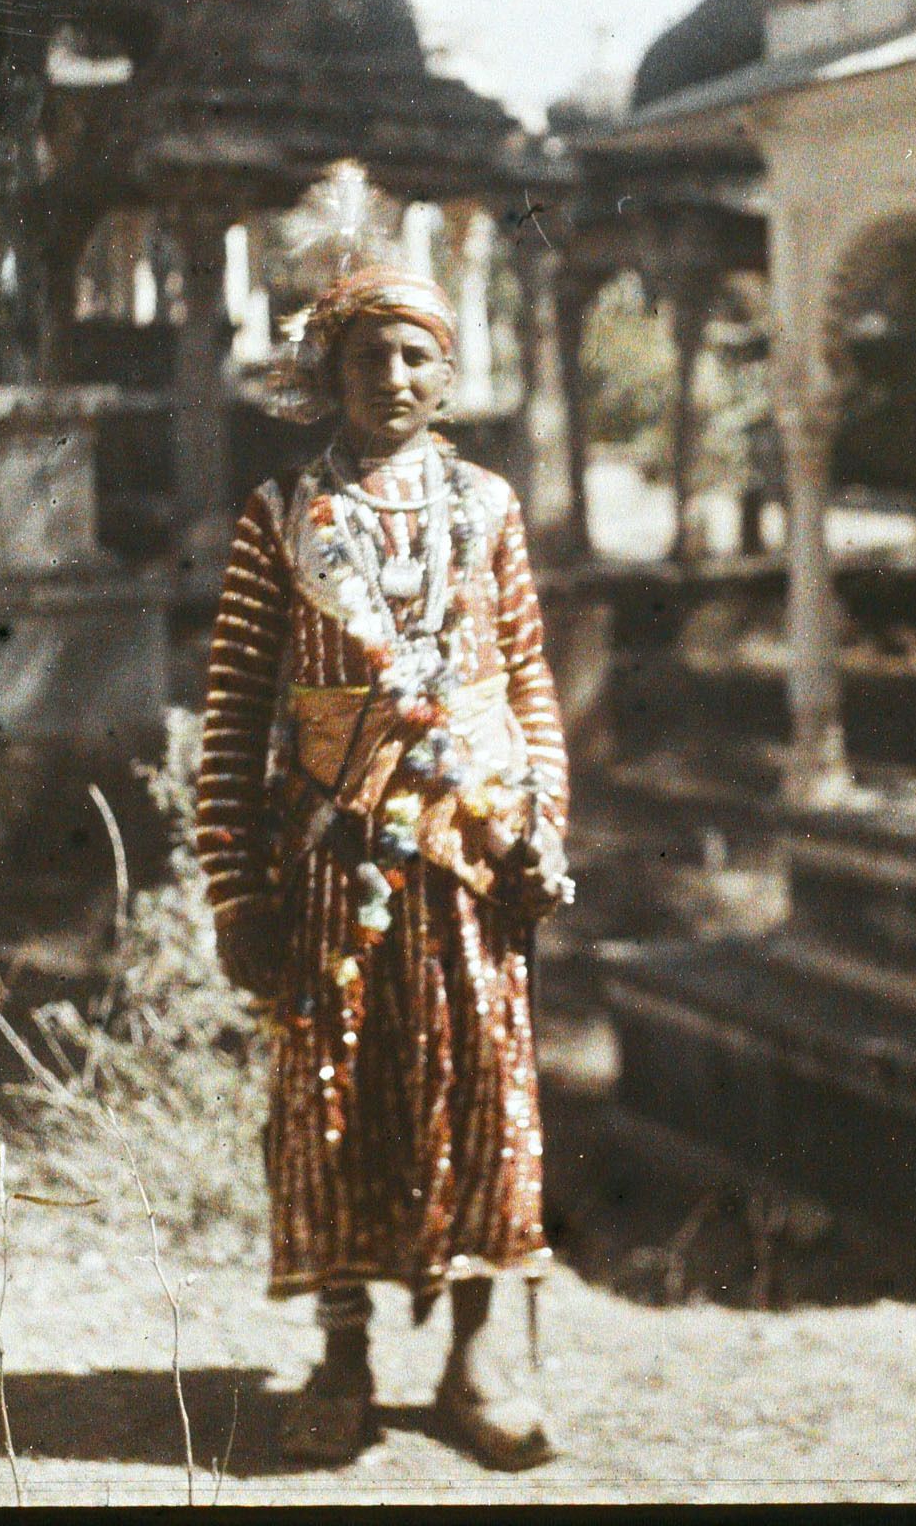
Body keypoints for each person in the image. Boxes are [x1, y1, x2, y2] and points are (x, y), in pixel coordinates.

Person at [194, 261, 573, 1470]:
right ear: (329, 370)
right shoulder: (279, 515)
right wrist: (234, 884)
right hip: (329, 855)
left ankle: (474, 1359)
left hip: (469, 859)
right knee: (333, 1091)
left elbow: (526, 683)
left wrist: (541, 828)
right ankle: (344, 1354)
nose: (394, 378)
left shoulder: (490, 507)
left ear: (450, 374)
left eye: (417, 356)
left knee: (475, 1082)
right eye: (371, 355)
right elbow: (232, 708)